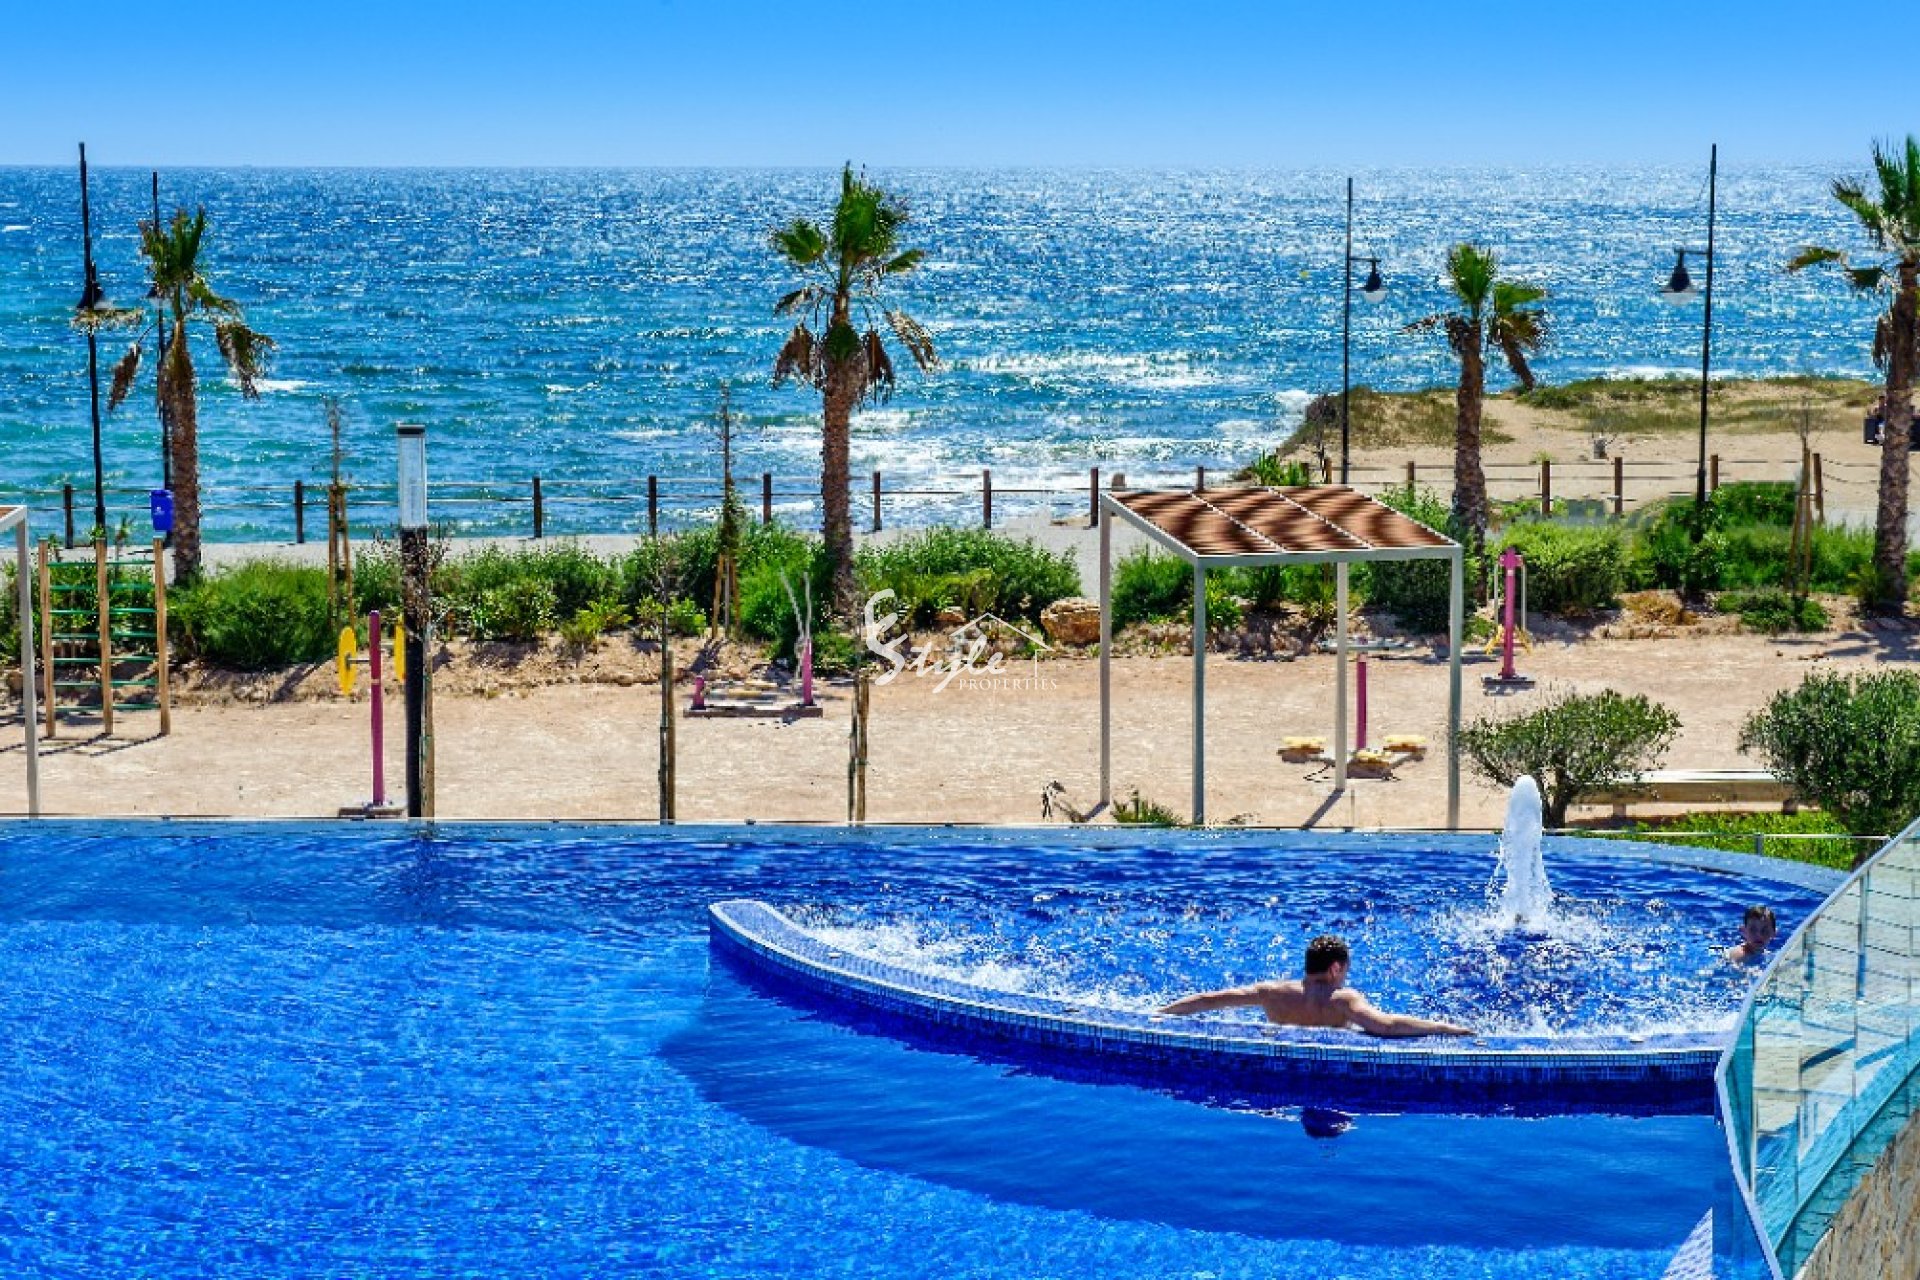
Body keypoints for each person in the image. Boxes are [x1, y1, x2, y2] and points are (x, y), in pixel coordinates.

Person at [1157, 934, 1472, 1039]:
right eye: (1345, 969)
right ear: (1335, 968)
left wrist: (1160, 1014)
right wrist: (1444, 1028)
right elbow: (1387, 1026)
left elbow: (1209, 1000)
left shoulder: (1271, 993)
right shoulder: (1343, 1000)